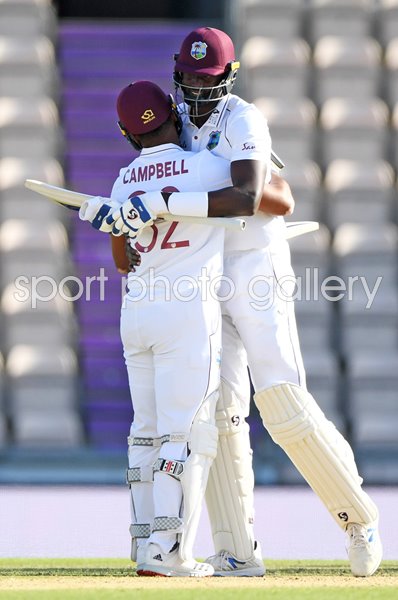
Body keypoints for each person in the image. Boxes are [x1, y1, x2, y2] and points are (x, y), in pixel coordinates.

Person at [107, 27, 383, 578]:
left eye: (206, 79)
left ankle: (359, 520)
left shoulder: (242, 118)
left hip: (256, 268)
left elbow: (271, 196)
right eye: (188, 77)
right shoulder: (174, 122)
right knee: (220, 413)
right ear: (177, 73)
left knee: (280, 401)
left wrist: (169, 201)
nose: (195, 89)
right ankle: (237, 552)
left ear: (227, 77)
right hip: (203, 276)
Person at [79, 79, 270, 577]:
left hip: (136, 313)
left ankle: (145, 547)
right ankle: (171, 553)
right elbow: (251, 198)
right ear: (175, 115)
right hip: (186, 314)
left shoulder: (123, 181)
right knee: (185, 434)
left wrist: (111, 219)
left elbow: (123, 258)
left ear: (126, 132)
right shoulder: (206, 167)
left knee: (145, 433)